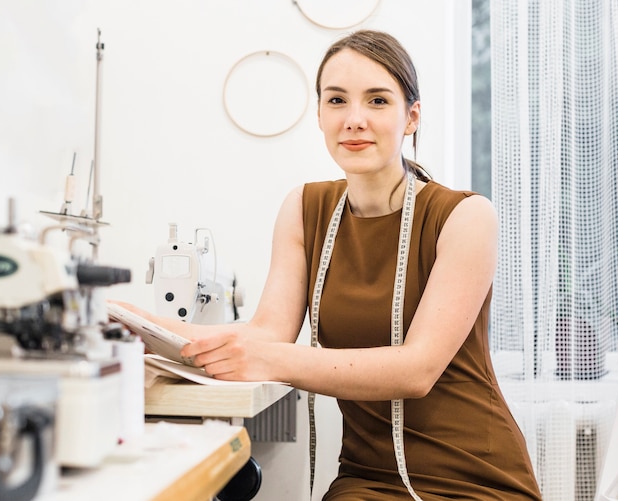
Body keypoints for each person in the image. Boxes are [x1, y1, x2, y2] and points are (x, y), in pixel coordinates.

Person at [115, 30, 542, 500]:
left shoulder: (464, 216)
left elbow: (417, 370)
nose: (354, 120)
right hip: (368, 478)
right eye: (337, 100)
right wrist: (138, 325)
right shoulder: (304, 208)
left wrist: (270, 359)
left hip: (473, 476)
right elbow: (264, 334)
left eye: (377, 101)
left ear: (411, 117)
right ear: (319, 114)